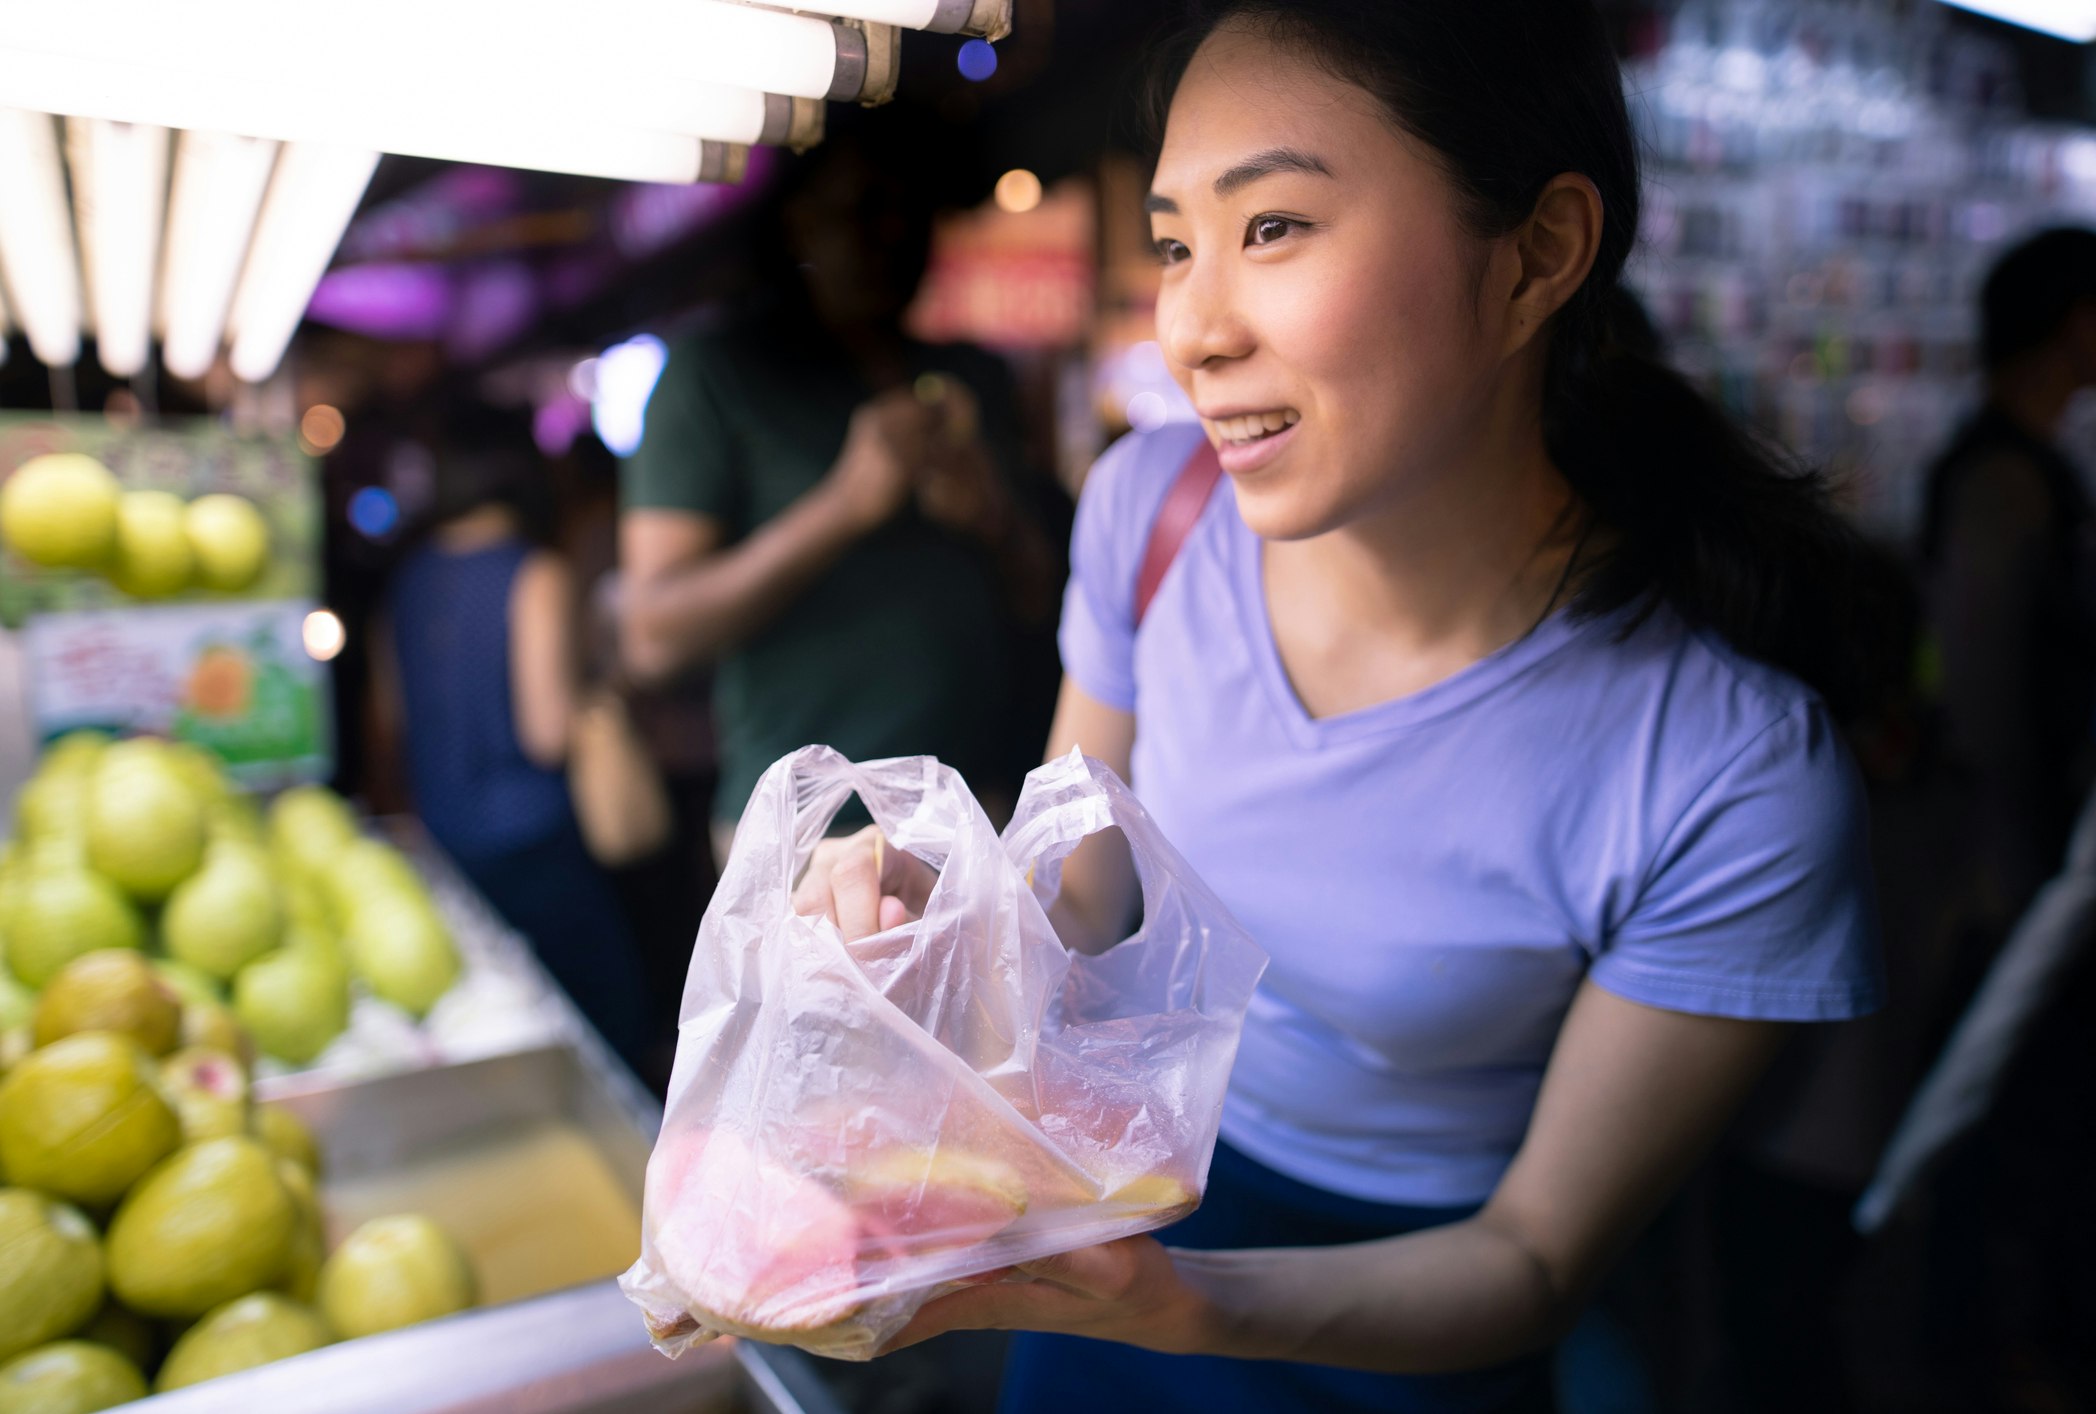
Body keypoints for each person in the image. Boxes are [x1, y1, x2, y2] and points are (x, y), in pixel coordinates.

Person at [791, 3, 1883, 1410]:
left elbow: (1536, 1256)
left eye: (1275, 229)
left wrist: (1192, 1305)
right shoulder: (1155, 512)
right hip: (1123, 1216)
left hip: (1402, 1323)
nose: (1191, 328)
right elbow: (1069, 890)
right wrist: (919, 909)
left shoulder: (1729, 777)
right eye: (1179, 242)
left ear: (1537, 254)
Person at [619, 117, 1062, 861]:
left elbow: (1045, 600)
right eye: (856, 207)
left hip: (973, 816)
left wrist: (993, 517)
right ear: (794, 220)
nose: (886, 234)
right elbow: (654, 636)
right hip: (809, 840)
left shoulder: (971, 375)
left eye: (906, 209)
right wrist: (844, 507)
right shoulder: (717, 375)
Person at [372, 405, 651, 1069]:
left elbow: (389, 717)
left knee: (498, 1032)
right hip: (535, 845)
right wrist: (602, 680)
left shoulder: (406, 577)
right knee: (604, 1027)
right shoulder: (535, 572)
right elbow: (547, 732)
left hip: (445, 837)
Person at [1920, 227, 2096, 953]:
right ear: (2078, 321)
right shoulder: (2003, 482)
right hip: (2016, 844)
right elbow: (1979, 679)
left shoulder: (2034, 468)